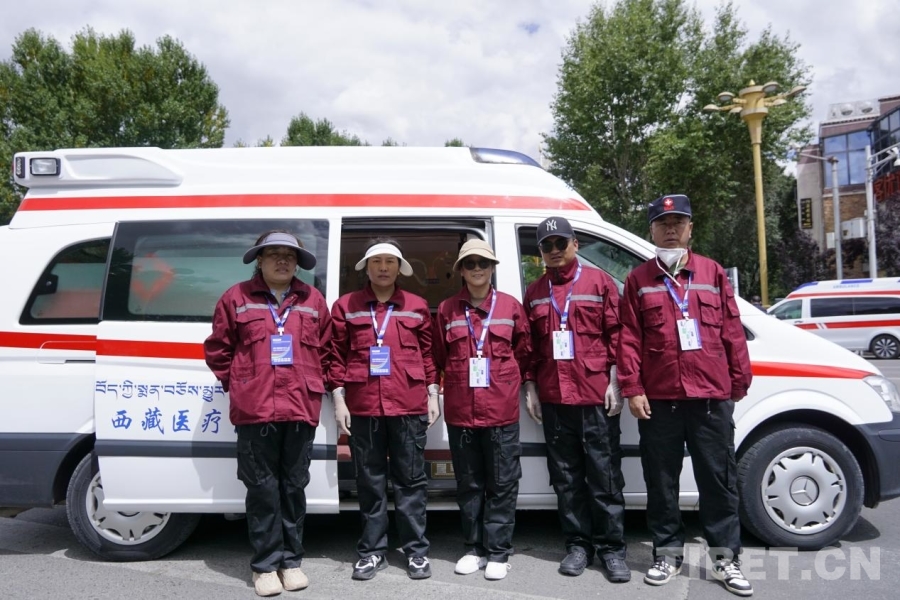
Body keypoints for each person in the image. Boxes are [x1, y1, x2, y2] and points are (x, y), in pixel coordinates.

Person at [617, 194, 753, 596]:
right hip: (660, 401)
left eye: (678, 222)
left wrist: (738, 382)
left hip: (710, 398)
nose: (670, 229)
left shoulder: (712, 273)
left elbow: (732, 331)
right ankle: (667, 554)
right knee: (662, 482)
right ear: (651, 230)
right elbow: (629, 339)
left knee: (718, 482)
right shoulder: (638, 280)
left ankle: (726, 560)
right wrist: (632, 388)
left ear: (690, 228)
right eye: (662, 223)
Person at [204, 230, 331, 597]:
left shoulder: (313, 300)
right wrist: (242, 384)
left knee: (293, 487)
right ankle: (264, 566)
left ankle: (291, 562)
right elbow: (218, 349)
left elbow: (326, 349)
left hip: (300, 408)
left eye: (289, 255)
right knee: (261, 489)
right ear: (259, 260)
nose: (282, 260)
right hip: (255, 409)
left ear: (297, 264)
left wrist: (315, 382)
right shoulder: (236, 298)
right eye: (273, 253)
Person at [522, 217, 630, 582]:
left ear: (575, 244)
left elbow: (617, 334)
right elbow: (530, 347)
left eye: (560, 243)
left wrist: (616, 379)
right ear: (540, 251)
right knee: (566, 479)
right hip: (554, 398)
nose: (554, 250)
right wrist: (530, 385)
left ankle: (612, 549)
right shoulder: (535, 292)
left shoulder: (599, 282)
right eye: (547, 245)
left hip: (595, 396)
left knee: (605, 476)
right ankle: (578, 546)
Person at [328, 238, 440, 581]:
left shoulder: (417, 306)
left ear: (399, 268)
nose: (383, 268)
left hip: (408, 405)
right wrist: (339, 399)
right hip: (364, 407)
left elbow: (428, 354)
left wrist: (433, 393)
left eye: (390, 262)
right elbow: (335, 355)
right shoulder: (346, 306)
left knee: (411, 481)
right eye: (376, 262)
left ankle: (415, 551)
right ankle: (372, 551)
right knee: (369, 482)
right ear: (366, 267)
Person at [432, 239, 531, 581]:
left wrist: (507, 383)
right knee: (469, 484)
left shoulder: (511, 307)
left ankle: (499, 551)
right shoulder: (447, 310)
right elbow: (440, 356)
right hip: (462, 412)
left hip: (501, 411)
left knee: (502, 483)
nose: (477, 269)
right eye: (470, 263)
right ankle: (473, 549)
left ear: (492, 268)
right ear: (461, 270)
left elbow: (524, 351)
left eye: (483, 263)